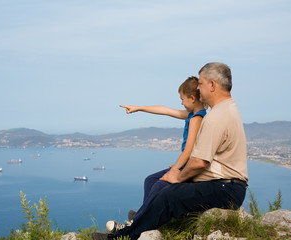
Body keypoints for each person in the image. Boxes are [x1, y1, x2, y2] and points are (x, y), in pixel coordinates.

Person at [92, 62, 248, 240]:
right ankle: (144, 221)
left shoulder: (216, 116)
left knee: (167, 194)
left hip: (224, 188)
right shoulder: (227, 108)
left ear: (212, 85)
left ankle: (124, 236)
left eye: (201, 83)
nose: (198, 87)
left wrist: (178, 176)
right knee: (161, 186)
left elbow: (199, 162)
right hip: (226, 185)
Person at [110, 76, 207, 229]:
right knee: (150, 180)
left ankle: (136, 223)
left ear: (192, 98)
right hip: (184, 164)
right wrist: (139, 108)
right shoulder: (192, 114)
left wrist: (175, 168)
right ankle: (144, 216)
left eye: (182, 99)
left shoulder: (197, 118)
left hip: (188, 166)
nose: (181, 102)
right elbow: (165, 110)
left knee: (158, 185)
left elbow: (189, 151)